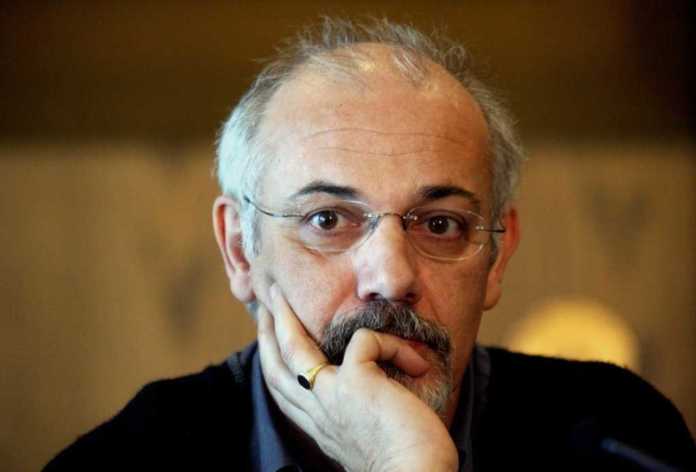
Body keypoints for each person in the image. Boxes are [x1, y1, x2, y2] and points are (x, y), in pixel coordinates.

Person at [45, 17, 695, 471]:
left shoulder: (617, 436)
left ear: (497, 256)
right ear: (240, 250)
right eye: (329, 219)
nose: (391, 277)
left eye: (439, 224)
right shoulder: (128, 460)